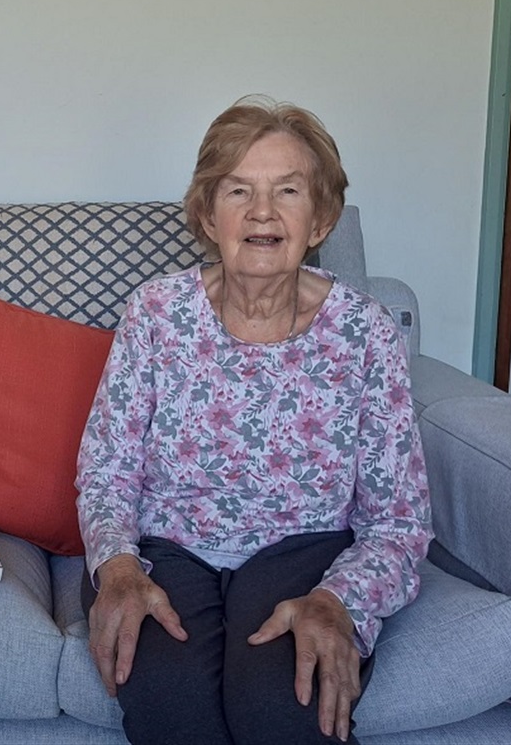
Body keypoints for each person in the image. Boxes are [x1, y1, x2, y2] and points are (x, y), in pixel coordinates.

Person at [76, 96, 432, 745]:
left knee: (284, 706)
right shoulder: (156, 312)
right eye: (239, 189)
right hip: (164, 550)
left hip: (305, 552)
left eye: (287, 191)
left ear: (320, 216)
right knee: (168, 702)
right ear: (209, 215)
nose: (262, 211)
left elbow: (400, 520)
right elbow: (107, 467)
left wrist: (339, 602)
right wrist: (118, 565)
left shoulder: (366, 334)